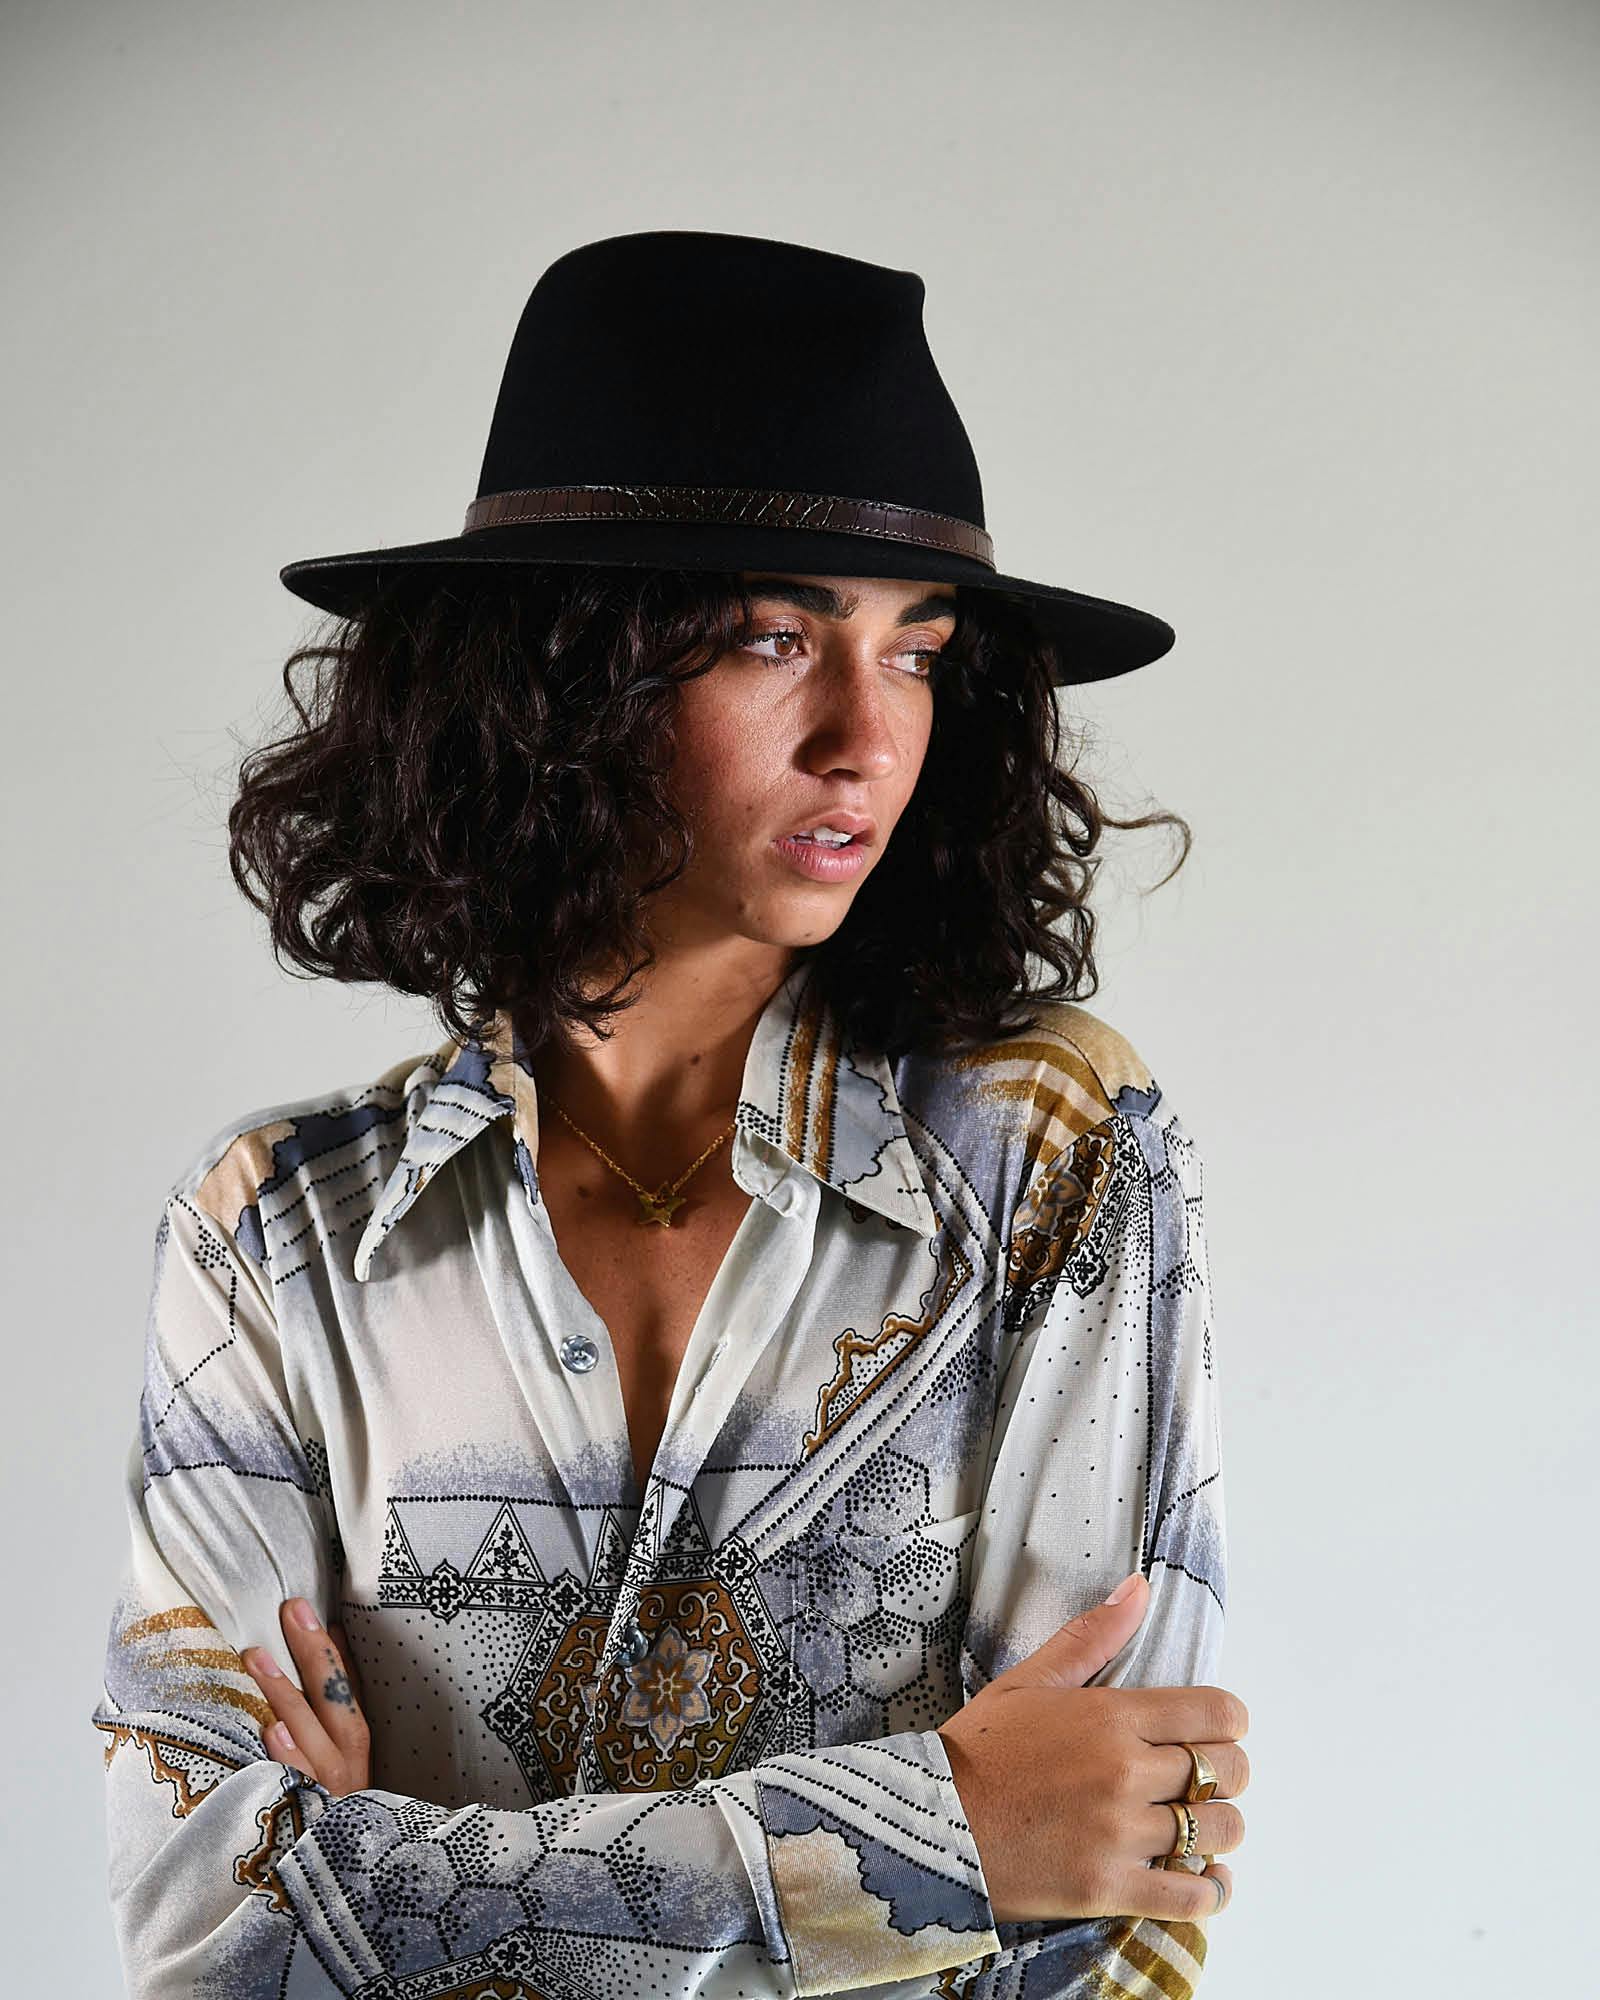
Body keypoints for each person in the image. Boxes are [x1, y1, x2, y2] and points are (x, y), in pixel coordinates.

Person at [90, 231, 1246, 1998]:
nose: (868, 737)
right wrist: (934, 1839)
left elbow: (1111, 1885)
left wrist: (394, 1880)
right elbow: (206, 1929)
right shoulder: (275, 1231)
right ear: (556, 678)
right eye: (775, 637)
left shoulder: (1044, 1150)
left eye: (918, 651)